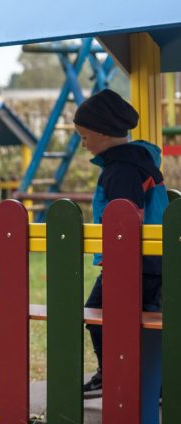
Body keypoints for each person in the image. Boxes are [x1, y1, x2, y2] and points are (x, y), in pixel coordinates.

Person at [72, 89, 168, 394]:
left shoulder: (121, 169)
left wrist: (114, 258)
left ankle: (114, 373)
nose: (83, 143)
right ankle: (151, 381)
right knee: (139, 322)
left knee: (96, 314)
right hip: (151, 261)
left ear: (103, 132)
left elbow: (126, 218)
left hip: (132, 262)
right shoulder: (137, 160)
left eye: (85, 136)